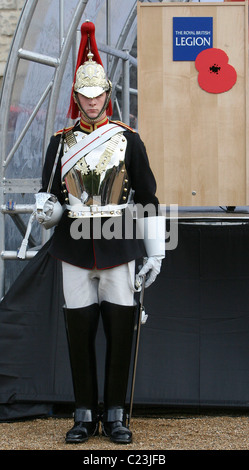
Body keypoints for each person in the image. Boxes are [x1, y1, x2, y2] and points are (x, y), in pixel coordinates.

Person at [35, 21, 165, 445]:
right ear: (77, 97)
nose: (92, 103)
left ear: (107, 95)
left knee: (120, 331)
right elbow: (50, 194)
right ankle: (84, 413)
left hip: (119, 245)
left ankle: (114, 414)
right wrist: (48, 209)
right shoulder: (59, 143)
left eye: (98, 96)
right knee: (79, 332)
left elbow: (147, 197)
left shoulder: (129, 140)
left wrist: (156, 253)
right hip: (73, 248)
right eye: (85, 97)